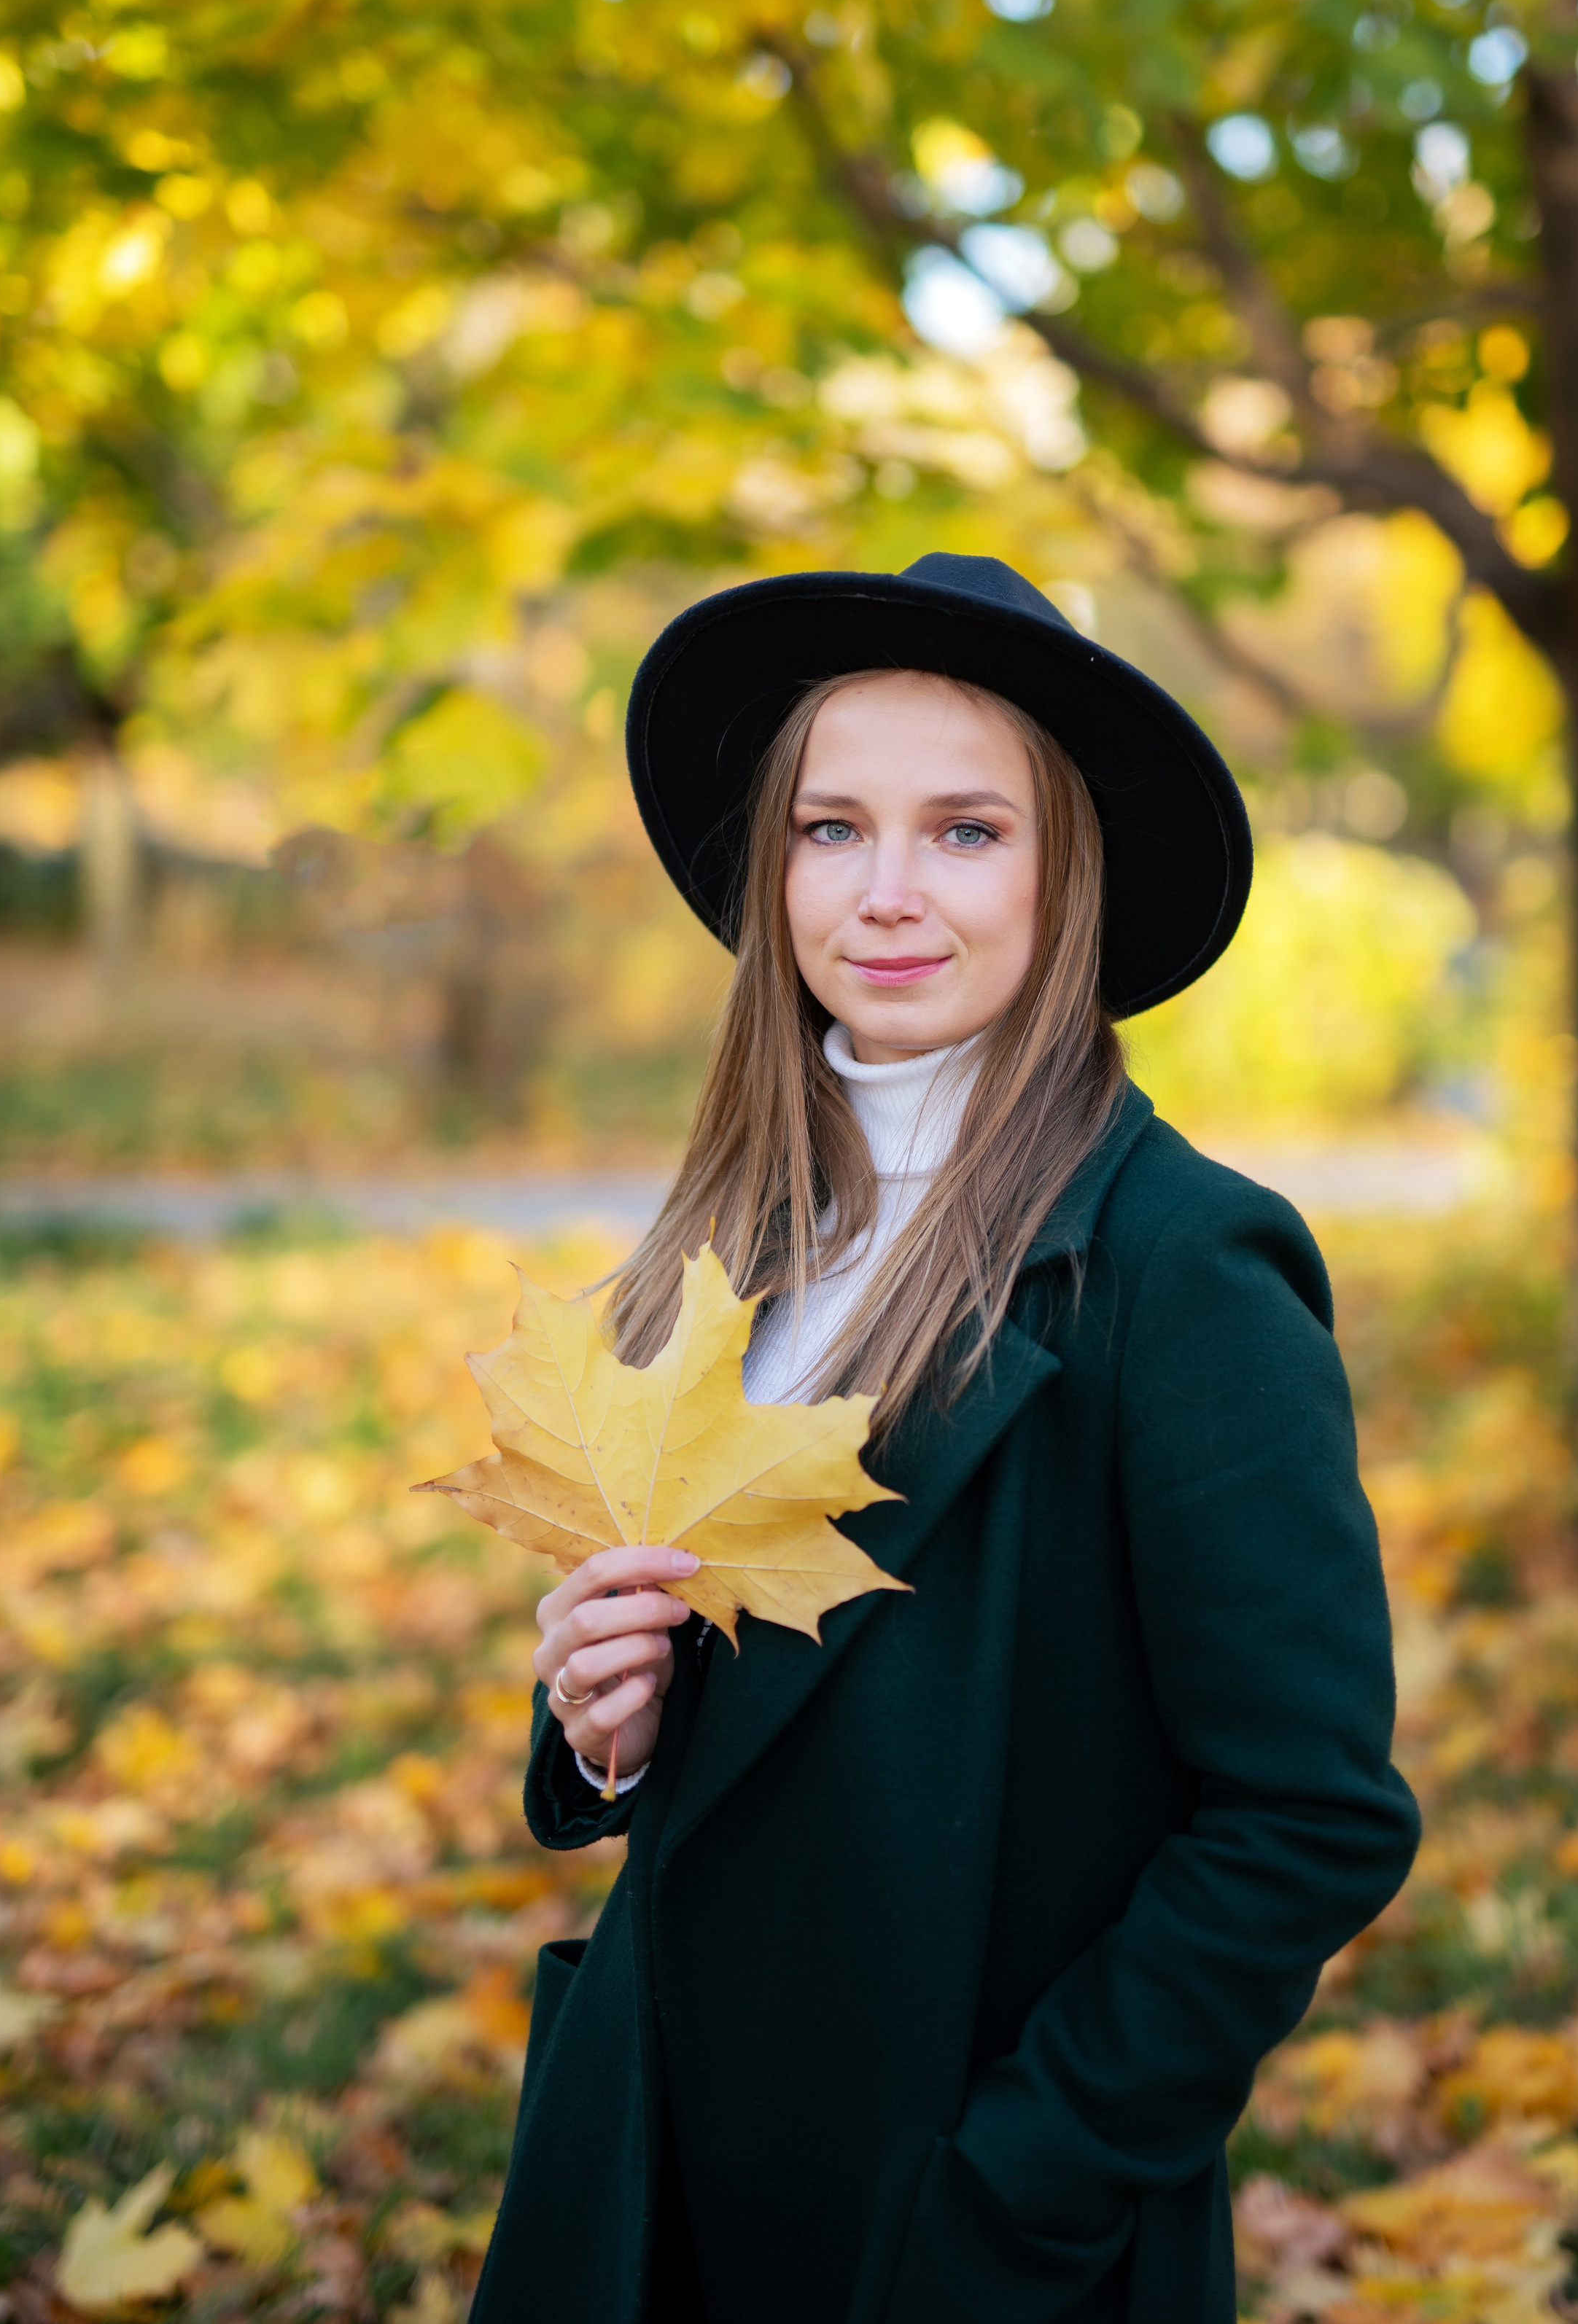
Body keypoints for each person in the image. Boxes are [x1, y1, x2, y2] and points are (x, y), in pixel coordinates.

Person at [467, 553, 1420, 2324]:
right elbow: (724, 1715)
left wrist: (1016, 2188)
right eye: (832, 828)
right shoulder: (739, 1237)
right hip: (657, 2158)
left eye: (965, 831)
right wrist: (600, 1725)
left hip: (947, 2210)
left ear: (1065, 878)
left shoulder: (1176, 1263)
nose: (886, 892)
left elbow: (1305, 1812)